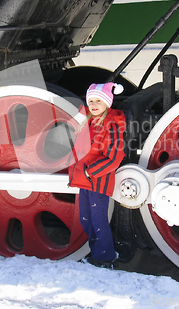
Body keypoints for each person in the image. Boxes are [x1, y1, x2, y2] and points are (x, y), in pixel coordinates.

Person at [68, 82, 126, 268]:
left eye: (98, 101)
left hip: (98, 181)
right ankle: (96, 252)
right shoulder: (87, 121)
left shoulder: (111, 126)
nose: (93, 104)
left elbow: (114, 157)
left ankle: (105, 257)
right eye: (91, 100)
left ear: (107, 103)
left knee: (99, 220)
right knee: (85, 218)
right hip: (83, 181)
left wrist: (89, 171)